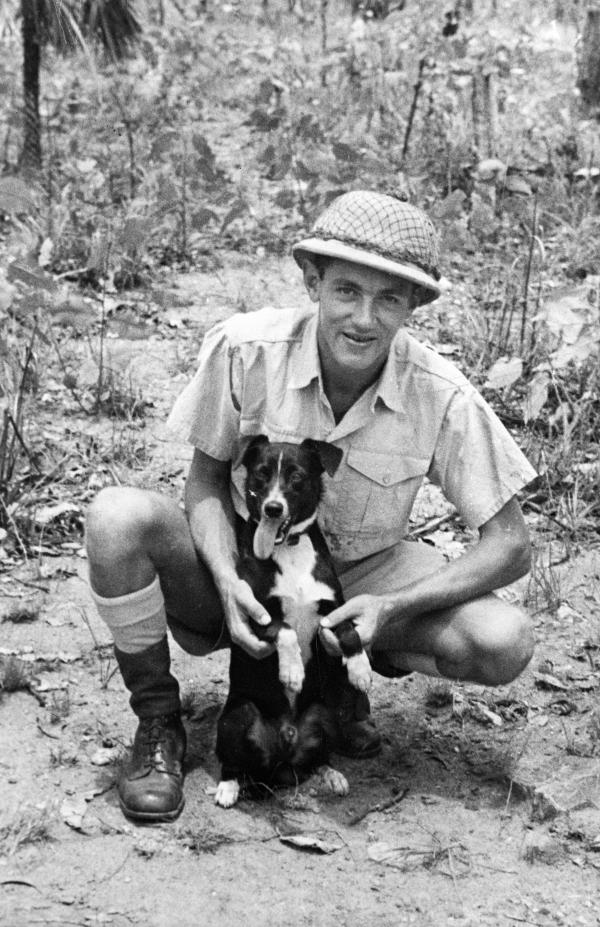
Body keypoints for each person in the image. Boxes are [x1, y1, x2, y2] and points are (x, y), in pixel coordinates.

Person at [85, 190, 536, 823]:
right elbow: (207, 481)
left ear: (413, 308)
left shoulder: (441, 393)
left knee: (504, 640)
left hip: (363, 578)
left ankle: (346, 688)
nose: (364, 318)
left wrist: (394, 606)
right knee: (115, 518)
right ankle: (159, 723)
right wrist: (224, 574)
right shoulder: (246, 349)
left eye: (390, 299)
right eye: (348, 290)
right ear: (313, 282)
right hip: (252, 564)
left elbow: (511, 544)